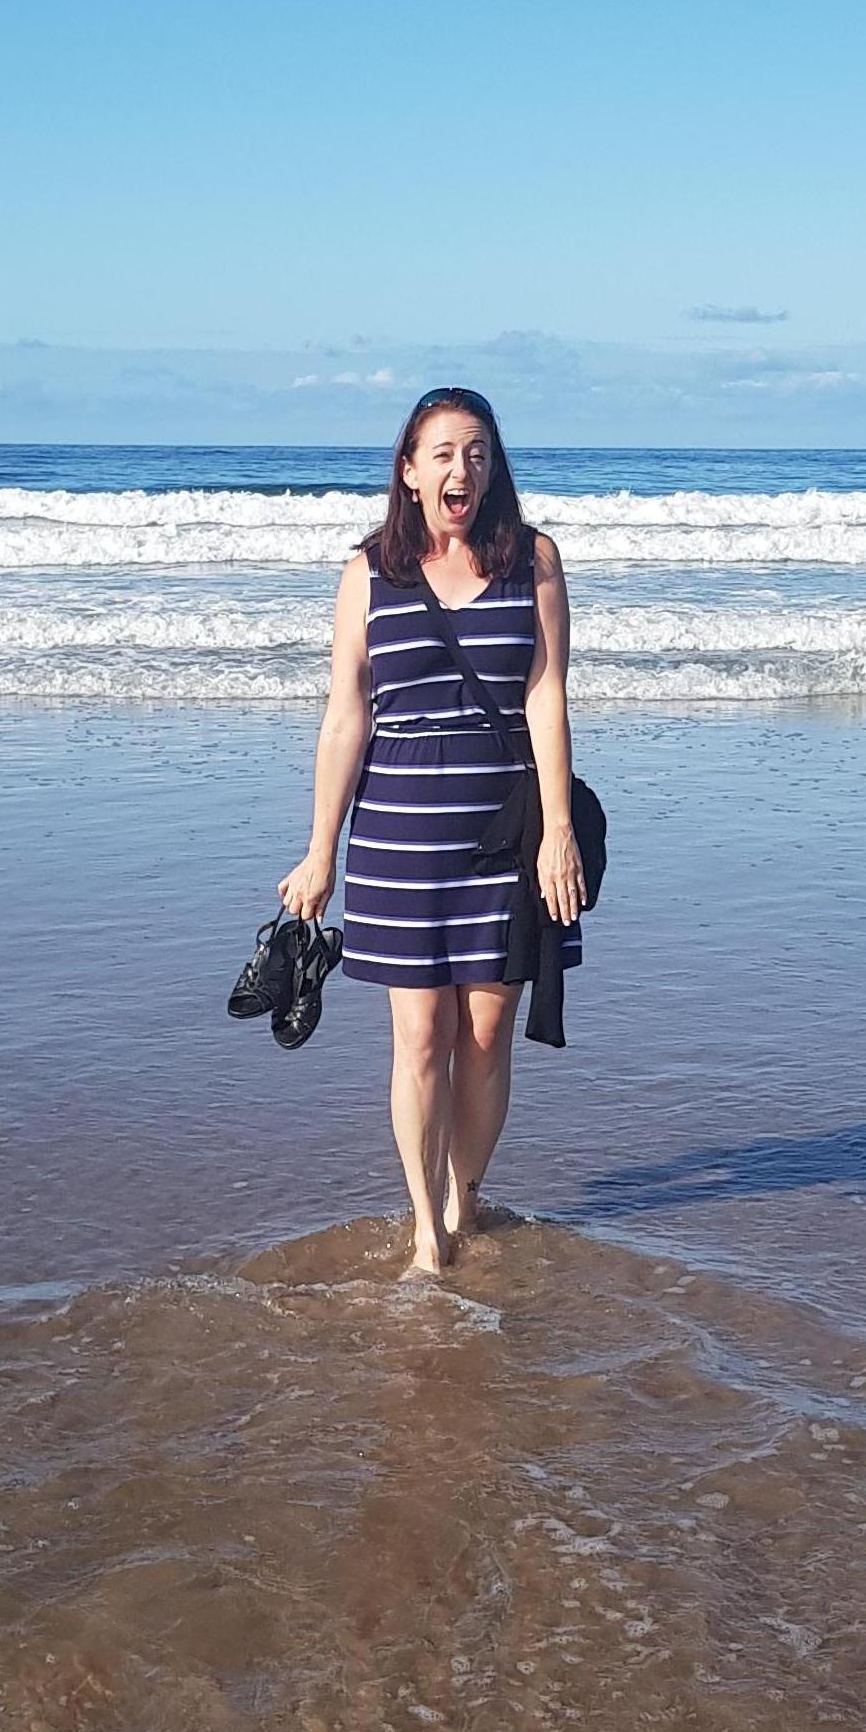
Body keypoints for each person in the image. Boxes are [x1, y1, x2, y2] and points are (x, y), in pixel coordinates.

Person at [278, 387, 586, 1277]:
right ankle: (427, 1231)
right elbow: (347, 715)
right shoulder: (368, 573)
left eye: (478, 453)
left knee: (484, 1034)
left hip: (505, 830)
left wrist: (558, 829)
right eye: (445, 453)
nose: (464, 469)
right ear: (410, 471)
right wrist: (320, 848)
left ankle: (466, 1197)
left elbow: (546, 697)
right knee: (419, 1036)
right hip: (399, 834)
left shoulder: (534, 561)